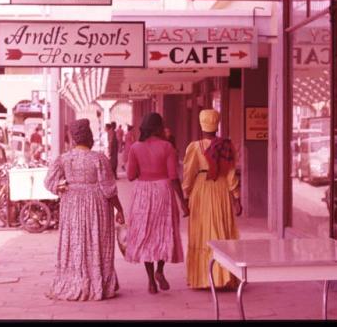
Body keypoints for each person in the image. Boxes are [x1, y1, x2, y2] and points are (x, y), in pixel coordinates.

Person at [44, 118, 125, 301]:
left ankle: (75, 280)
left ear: (73, 139)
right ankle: (98, 282)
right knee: (97, 241)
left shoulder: (64, 159)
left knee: (75, 242)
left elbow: (49, 181)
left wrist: (61, 186)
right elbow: (109, 189)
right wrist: (119, 210)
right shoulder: (99, 159)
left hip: (72, 206)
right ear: (89, 137)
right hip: (97, 206)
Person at [125, 112, 189, 294]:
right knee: (163, 234)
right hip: (163, 191)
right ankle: (160, 270)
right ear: (159, 128)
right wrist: (183, 203)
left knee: (145, 235)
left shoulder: (135, 148)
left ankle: (151, 280)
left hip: (143, 192)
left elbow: (130, 176)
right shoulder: (168, 147)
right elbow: (174, 177)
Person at [182, 108, 242, 289]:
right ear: (217, 125)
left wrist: (186, 193)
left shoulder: (195, 147)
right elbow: (231, 173)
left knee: (202, 230)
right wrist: (236, 197)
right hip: (221, 189)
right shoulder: (226, 146)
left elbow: (189, 172)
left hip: (201, 189)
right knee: (221, 228)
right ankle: (224, 276)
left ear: (201, 125)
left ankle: (203, 277)